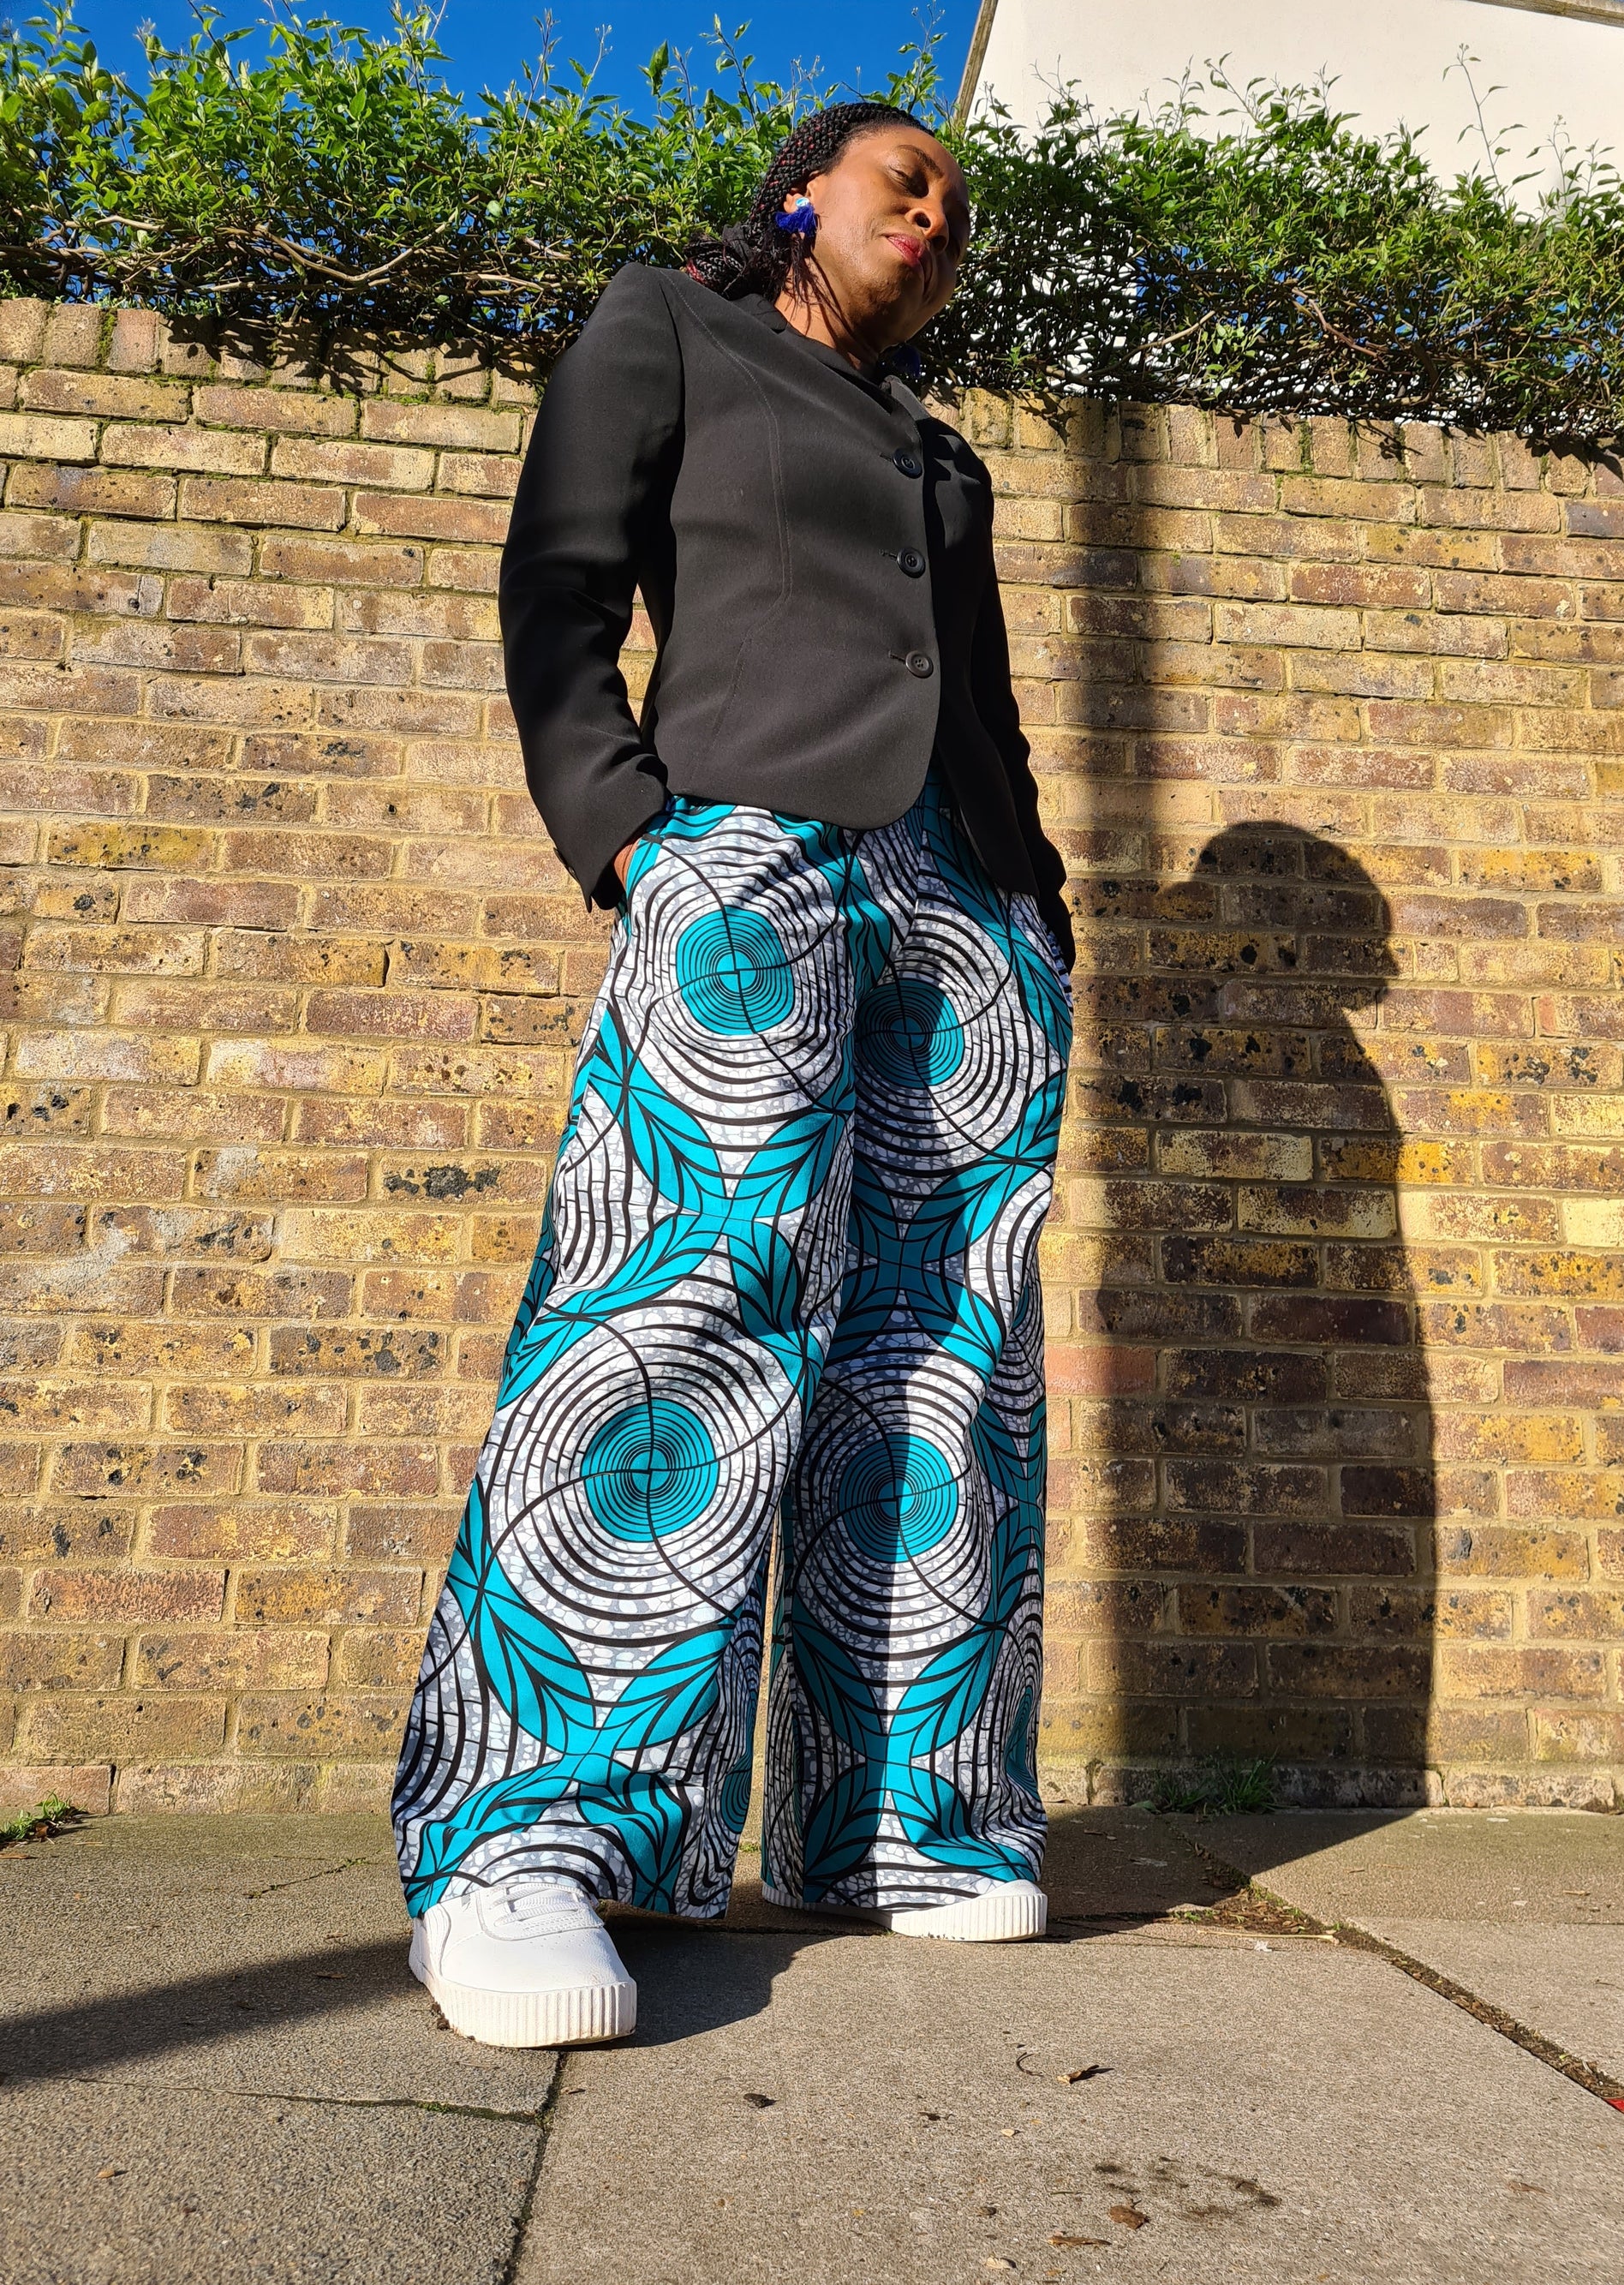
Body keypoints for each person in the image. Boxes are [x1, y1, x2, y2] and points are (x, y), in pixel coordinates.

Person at [391, 101, 1075, 2050]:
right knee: (680, 1298)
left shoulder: (943, 452)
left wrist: (1034, 901)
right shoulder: (671, 330)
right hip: (748, 856)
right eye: (904, 180)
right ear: (801, 193)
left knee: (944, 1354)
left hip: (962, 904)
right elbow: (559, 581)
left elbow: (983, 700)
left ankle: (894, 1821)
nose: (936, 214)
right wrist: (629, 831)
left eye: (959, 208)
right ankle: (523, 1836)